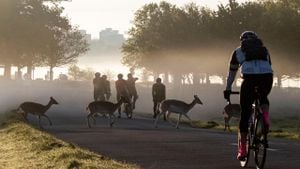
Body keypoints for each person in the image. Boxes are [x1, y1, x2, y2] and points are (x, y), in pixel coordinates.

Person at [223, 31, 273, 161]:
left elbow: (232, 73)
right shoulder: (264, 50)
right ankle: (266, 119)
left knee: (245, 113)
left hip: (249, 79)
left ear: (242, 40)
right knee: (263, 96)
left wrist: (228, 89)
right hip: (267, 77)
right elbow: (269, 66)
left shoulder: (238, 51)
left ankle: (243, 149)